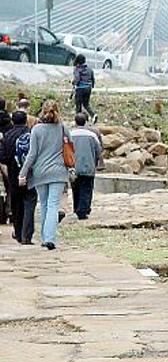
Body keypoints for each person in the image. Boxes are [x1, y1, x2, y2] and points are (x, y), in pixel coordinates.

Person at [18, 101, 70, 250]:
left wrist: (23, 173)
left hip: (40, 172)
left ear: (43, 111)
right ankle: (49, 238)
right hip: (59, 171)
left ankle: (45, 237)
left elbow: (31, 154)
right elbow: (71, 146)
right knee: (54, 204)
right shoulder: (63, 128)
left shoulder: (36, 129)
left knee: (45, 204)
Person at [0, 111, 36, 244]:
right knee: (29, 203)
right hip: (31, 174)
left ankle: (18, 231)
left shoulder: (7, 136)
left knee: (16, 205)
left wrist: (8, 172)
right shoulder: (32, 134)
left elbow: (2, 158)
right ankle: (27, 234)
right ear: (26, 120)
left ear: (13, 121)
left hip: (14, 174)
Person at [70, 113, 102, 220]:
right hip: (88, 165)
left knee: (76, 188)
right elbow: (98, 150)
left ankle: (76, 207)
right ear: (86, 122)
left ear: (75, 122)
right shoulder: (92, 135)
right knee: (86, 188)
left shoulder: (70, 134)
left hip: (74, 166)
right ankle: (83, 210)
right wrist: (97, 162)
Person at [72, 54, 97, 123]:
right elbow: (92, 78)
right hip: (88, 88)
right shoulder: (89, 68)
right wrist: (92, 86)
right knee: (86, 104)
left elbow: (77, 79)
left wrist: (74, 83)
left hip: (80, 88)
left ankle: (78, 120)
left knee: (78, 105)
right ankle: (93, 115)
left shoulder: (77, 69)